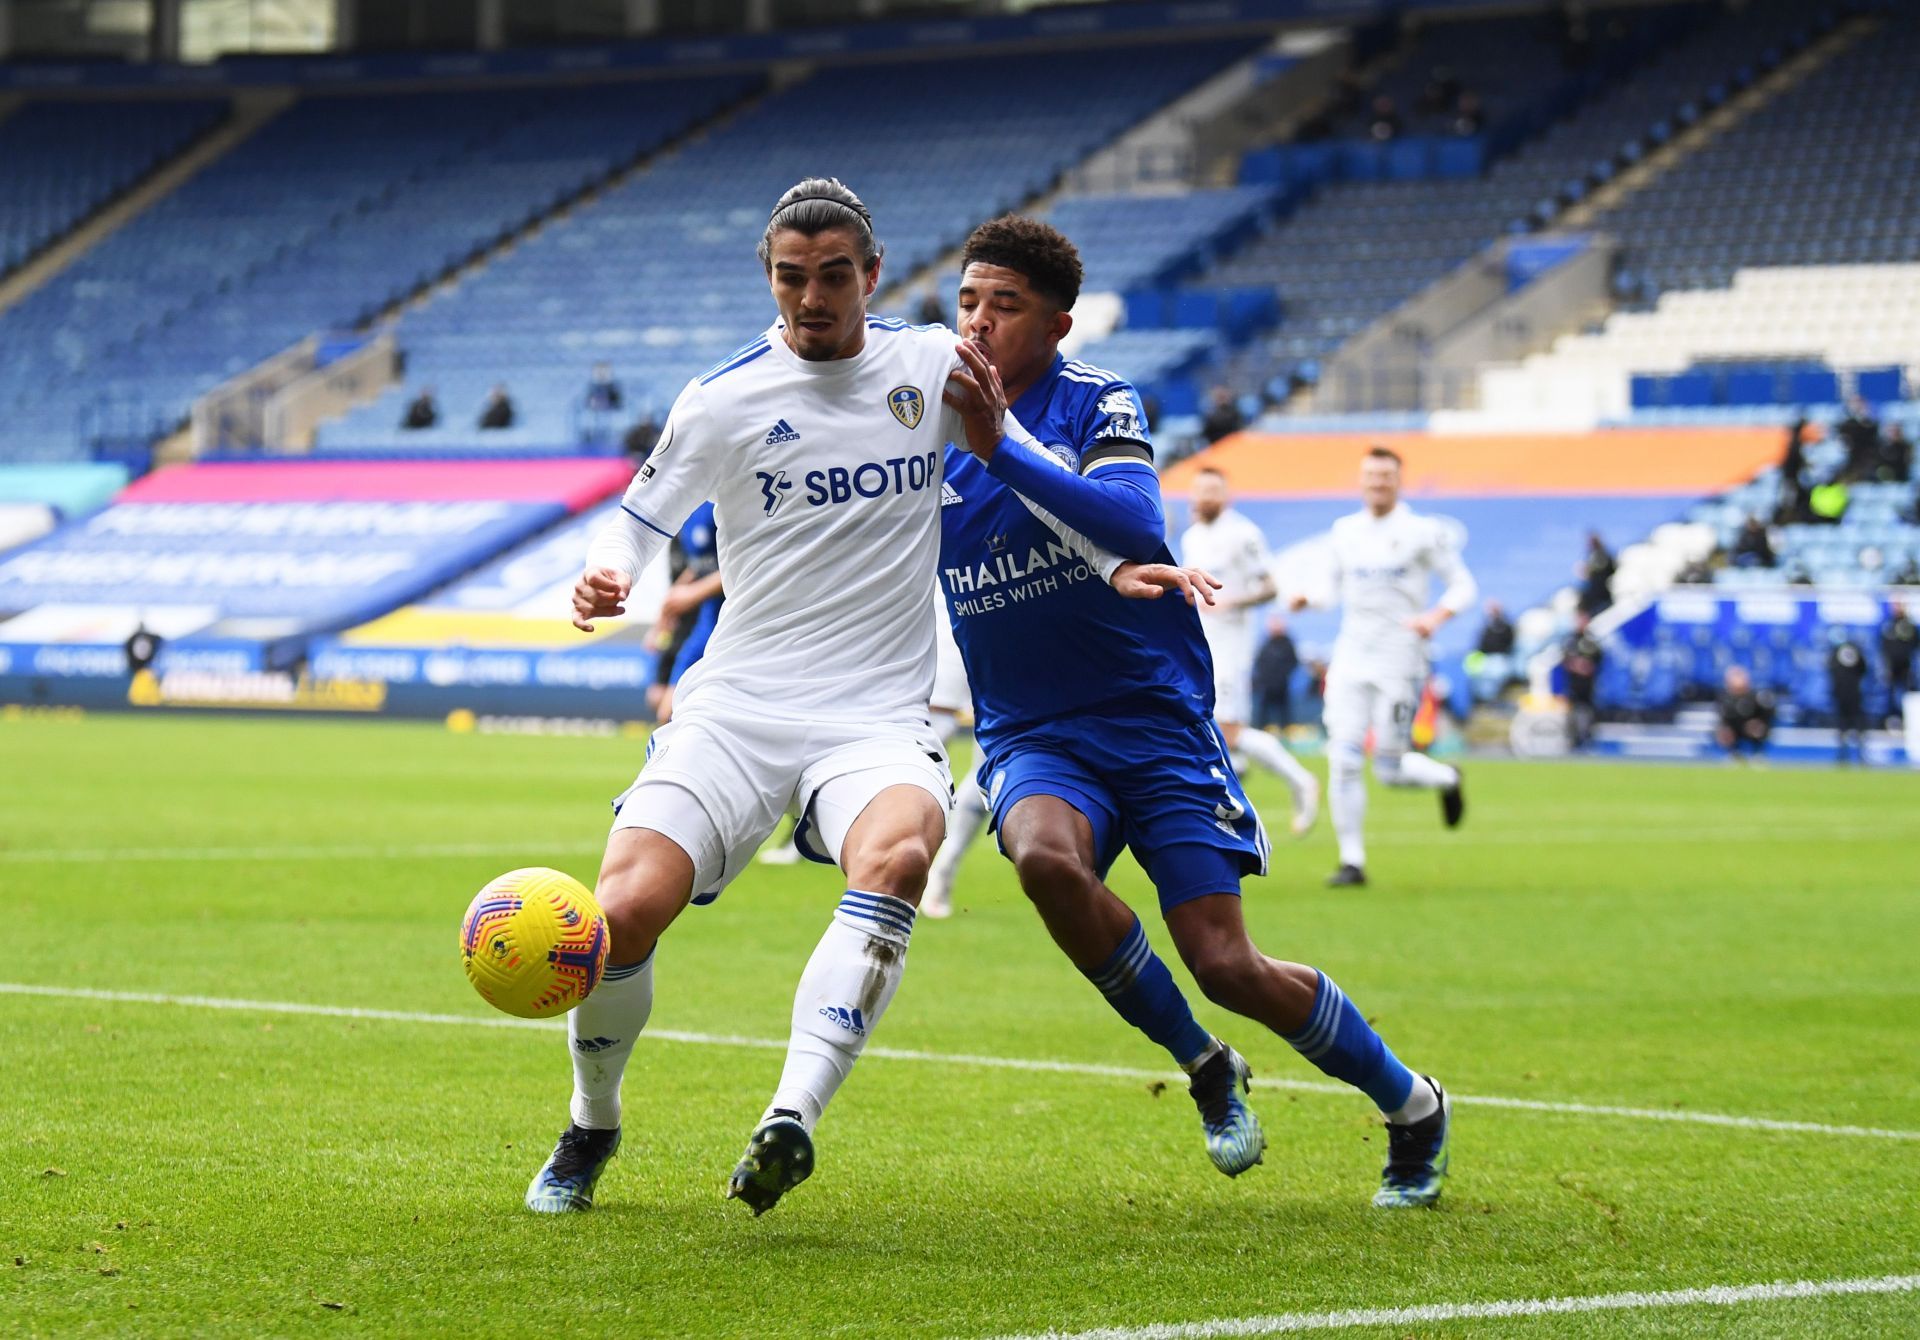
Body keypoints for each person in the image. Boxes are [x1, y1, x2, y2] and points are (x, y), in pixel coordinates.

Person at [535, 178, 1204, 1219]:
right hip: (740, 707)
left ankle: (791, 1115)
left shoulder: (932, 364)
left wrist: (1112, 564)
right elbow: (636, 519)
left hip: (877, 715)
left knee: (897, 854)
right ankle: (592, 1120)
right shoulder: (721, 399)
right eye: (792, 277)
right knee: (620, 913)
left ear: (871, 275)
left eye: (833, 276)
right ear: (770, 278)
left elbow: (1018, 464)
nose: (812, 297)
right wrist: (607, 573)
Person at [938, 214, 1450, 1207]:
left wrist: (1000, 446)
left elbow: (1134, 517)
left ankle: (1410, 1101)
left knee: (1227, 961)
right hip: (1033, 727)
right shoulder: (921, 420)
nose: (979, 322)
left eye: (1005, 304)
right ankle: (1206, 1064)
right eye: (967, 300)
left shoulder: (1097, 399)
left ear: (1059, 322)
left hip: (1151, 716)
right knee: (1045, 857)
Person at [1288, 446, 1475, 889]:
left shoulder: (1422, 532)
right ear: (1361, 481)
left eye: (1385, 476)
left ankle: (1448, 778)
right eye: (1371, 476)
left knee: (1388, 769)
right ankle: (1352, 861)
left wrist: (1434, 617)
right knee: (1344, 756)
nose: (1377, 484)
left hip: (1400, 657)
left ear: (1398, 481)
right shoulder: (1345, 531)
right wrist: (1308, 599)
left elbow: (1463, 585)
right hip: (1352, 654)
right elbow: (1330, 590)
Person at [1180, 467, 1320, 836]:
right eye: (1201, 491)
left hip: (1232, 649)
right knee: (1209, 726)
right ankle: (1228, 796)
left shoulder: (1243, 534)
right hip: (1203, 645)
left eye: (1214, 491)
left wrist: (1231, 602)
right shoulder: (1193, 536)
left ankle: (1300, 781)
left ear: (1227, 496)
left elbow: (1271, 587)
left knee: (1228, 730)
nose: (1206, 497)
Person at [1561, 611, 1604, 751]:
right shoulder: (1570, 640)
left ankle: (1586, 739)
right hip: (1574, 682)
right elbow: (1565, 659)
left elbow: (1598, 658)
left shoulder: (1591, 641)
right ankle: (1572, 740)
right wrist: (1576, 665)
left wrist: (1587, 666)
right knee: (1572, 711)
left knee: (1587, 710)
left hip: (1588, 683)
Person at [1827, 631, 1869, 765]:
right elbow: (1864, 668)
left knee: (1844, 725)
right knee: (1856, 724)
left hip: (1842, 693)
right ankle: (1858, 755)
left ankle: (1845, 755)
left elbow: (1830, 670)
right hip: (1854, 692)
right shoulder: (1855, 650)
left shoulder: (1835, 653)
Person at [1715, 666, 1773, 762]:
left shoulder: (1756, 697)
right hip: (1735, 729)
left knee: (1757, 729)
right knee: (1723, 732)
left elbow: (1767, 715)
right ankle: (1734, 754)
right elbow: (1723, 718)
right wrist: (1724, 728)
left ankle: (1757, 754)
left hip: (1751, 728)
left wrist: (1758, 723)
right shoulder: (1724, 698)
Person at [1251, 614, 1299, 730]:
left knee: (1284, 713)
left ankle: (1285, 733)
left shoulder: (1288, 644)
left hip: (1282, 685)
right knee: (1263, 713)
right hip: (1267, 685)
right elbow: (1259, 662)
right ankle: (1262, 731)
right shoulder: (1266, 643)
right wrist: (1263, 679)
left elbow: (1293, 662)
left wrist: (1283, 676)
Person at [1882, 599, 1917, 713]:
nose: (1898, 608)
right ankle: (1891, 717)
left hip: (1906, 664)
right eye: (1895, 605)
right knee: (1890, 692)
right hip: (1891, 665)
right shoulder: (1888, 624)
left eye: (1900, 605)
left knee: (1908, 691)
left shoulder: (1909, 624)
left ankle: (1908, 717)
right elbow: (1884, 644)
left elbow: (1914, 643)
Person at [1836, 396, 1881, 482]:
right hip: (1851, 461)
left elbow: (1872, 438)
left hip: (1868, 460)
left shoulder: (1870, 424)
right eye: (1854, 404)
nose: (1856, 407)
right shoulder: (1846, 425)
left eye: (1859, 404)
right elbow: (1843, 443)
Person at [1577, 531, 1614, 616]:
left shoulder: (1602, 554)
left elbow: (1606, 569)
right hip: (1595, 593)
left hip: (1601, 592)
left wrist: (1588, 570)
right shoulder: (1592, 556)